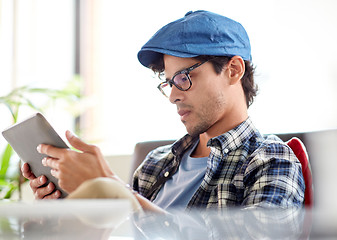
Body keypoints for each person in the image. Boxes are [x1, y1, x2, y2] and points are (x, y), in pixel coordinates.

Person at [22, 10, 305, 210]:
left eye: (184, 78)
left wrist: (112, 191)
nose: (172, 96)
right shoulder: (154, 165)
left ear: (233, 70)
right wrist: (62, 212)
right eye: (168, 82)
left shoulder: (271, 159)